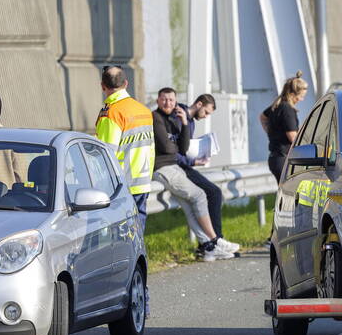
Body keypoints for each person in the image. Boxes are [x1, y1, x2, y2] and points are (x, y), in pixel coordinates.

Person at [152, 87, 237, 261]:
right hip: (168, 167)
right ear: (158, 100)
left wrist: (184, 125)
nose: (168, 103)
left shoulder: (182, 119)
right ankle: (215, 240)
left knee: (193, 204)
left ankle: (207, 247)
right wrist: (190, 160)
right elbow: (170, 148)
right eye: (164, 99)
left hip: (175, 165)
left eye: (171, 100)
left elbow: (181, 148)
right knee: (201, 195)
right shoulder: (159, 117)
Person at [95, 66, 155, 230]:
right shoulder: (144, 110)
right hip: (142, 181)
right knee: (137, 235)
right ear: (126, 83)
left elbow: (106, 154)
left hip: (121, 185)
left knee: (121, 239)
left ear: (102, 86)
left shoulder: (112, 113)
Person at [173, 93, 233, 245]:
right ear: (199, 104)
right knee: (213, 192)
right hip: (179, 166)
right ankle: (217, 240)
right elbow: (174, 150)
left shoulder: (190, 121)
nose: (206, 116)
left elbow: (183, 147)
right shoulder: (179, 117)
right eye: (206, 112)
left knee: (213, 192)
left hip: (184, 164)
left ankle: (214, 240)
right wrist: (193, 162)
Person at [260, 72, 309, 182]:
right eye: (301, 96)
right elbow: (293, 137)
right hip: (283, 159)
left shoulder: (278, 105)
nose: (302, 100)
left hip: (276, 158)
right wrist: (308, 147)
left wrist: (270, 131)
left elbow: (262, 117)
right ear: (292, 94)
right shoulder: (287, 110)